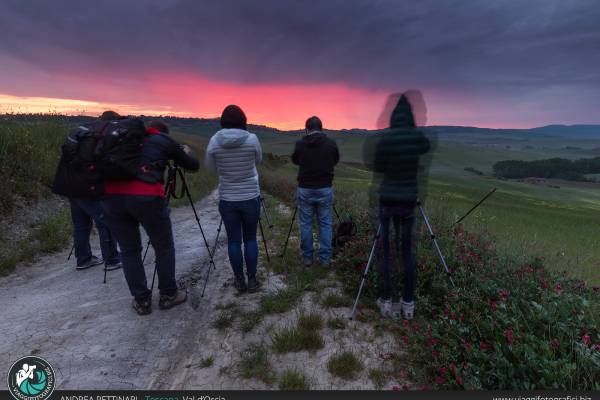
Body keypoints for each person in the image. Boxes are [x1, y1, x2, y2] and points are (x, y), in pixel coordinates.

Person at [101, 120, 199, 315]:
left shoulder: (118, 141)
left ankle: (142, 300)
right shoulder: (161, 140)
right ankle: (169, 295)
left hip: (111, 198)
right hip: (146, 196)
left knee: (129, 250)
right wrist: (186, 151)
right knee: (163, 246)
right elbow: (192, 165)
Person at [369, 93, 431, 320]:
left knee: (385, 252)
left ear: (393, 117)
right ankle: (408, 304)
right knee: (406, 253)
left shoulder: (385, 139)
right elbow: (425, 146)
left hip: (387, 201)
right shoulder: (416, 138)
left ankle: (386, 301)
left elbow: (378, 167)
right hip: (408, 203)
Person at [52, 110, 122, 271]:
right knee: (106, 223)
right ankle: (112, 259)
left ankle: (83, 259)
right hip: (89, 187)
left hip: (70, 184)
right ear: (113, 122)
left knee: (81, 225)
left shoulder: (82, 130)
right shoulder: (106, 134)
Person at [205, 105, 263, 293]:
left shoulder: (214, 141)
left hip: (228, 198)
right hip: (250, 196)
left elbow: (210, 167)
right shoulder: (252, 139)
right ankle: (252, 279)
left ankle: (239, 280)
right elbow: (258, 160)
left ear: (223, 121)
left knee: (234, 241)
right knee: (251, 239)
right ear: (243, 120)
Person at [291, 116, 339, 267]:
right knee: (325, 224)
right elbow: (335, 160)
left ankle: (307, 258)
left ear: (307, 129)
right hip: (325, 188)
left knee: (305, 224)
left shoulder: (300, 144)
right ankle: (325, 259)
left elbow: (295, 160)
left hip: (305, 188)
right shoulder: (331, 143)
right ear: (321, 128)